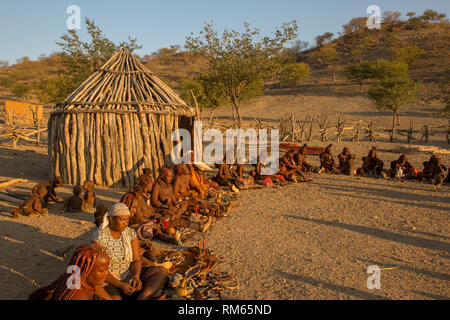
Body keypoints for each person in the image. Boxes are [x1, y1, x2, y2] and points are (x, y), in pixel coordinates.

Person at [90, 202, 169, 300]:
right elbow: (99, 270)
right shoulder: (100, 238)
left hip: (128, 275)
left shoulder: (129, 234)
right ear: (111, 219)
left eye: (127, 220)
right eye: (122, 220)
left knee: (160, 271)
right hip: (108, 281)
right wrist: (120, 285)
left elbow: (136, 259)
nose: (125, 223)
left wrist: (136, 276)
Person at [28, 243, 112, 300]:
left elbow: (97, 288)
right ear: (86, 271)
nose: (106, 273)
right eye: (102, 271)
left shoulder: (73, 277)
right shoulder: (79, 296)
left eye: (107, 269)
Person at [152, 167, 212, 233]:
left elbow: (172, 196)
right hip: (164, 208)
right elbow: (154, 201)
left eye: (171, 176)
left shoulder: (168, 185)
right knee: (174, 214)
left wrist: (176, 204)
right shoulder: (157, 186)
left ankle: (177, 215)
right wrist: (167, 206)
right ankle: (199, 226)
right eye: (169, 177)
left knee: (185, 203)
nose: (170, 178)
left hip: (172, 206)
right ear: (163, 176)